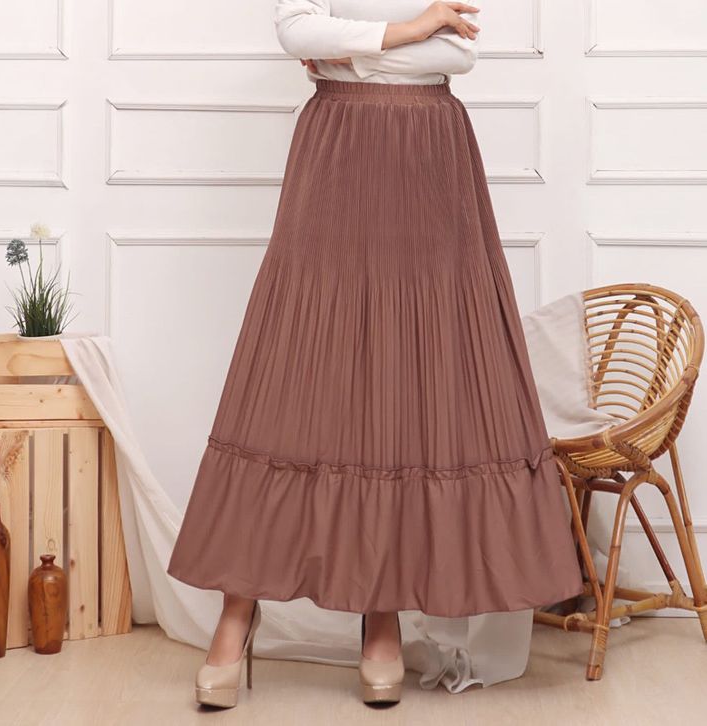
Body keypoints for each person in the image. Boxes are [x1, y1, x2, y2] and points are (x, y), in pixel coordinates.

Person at [167, 0, 584, 709]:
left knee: (403, 373)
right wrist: (409, 31)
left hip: (428, 155)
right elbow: (295, 30)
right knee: (295, 367)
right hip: (337, 150)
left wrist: (353, 53)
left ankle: (381, 612)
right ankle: (238, 611)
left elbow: (457, 55)